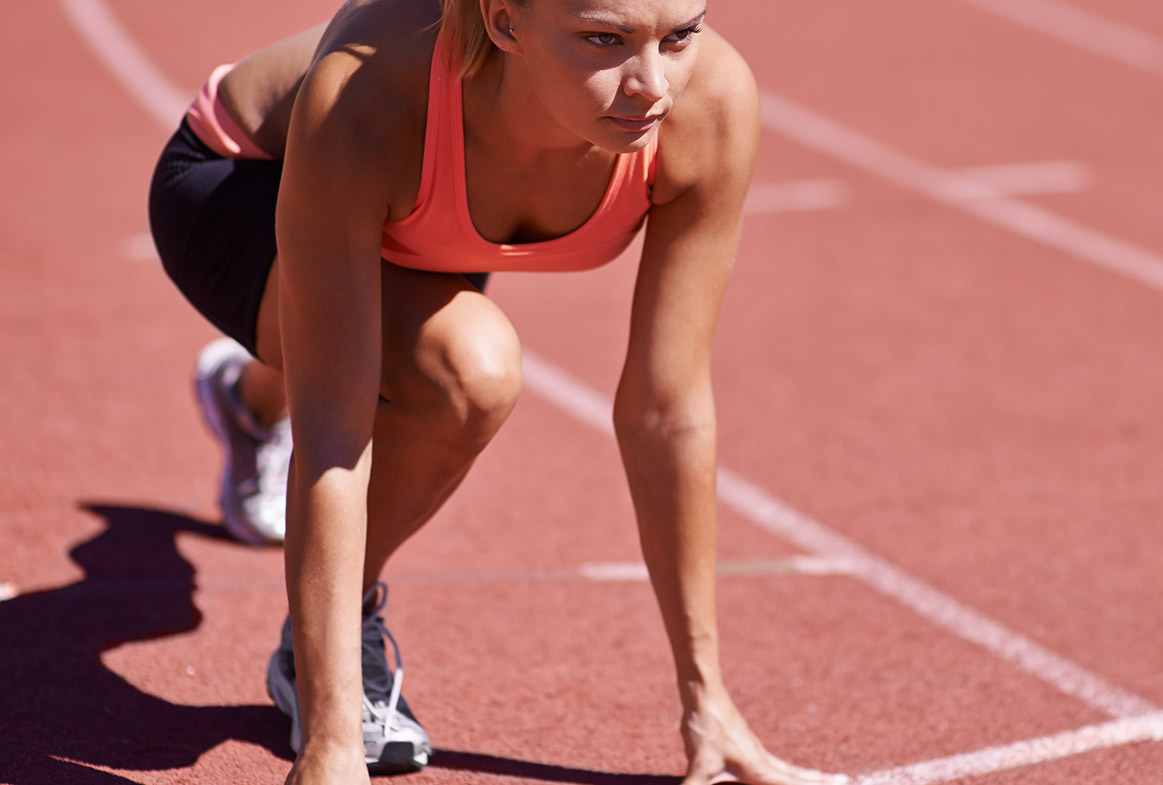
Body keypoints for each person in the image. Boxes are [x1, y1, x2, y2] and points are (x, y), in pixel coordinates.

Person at [146, 1, 847, 783]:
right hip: (241, 180)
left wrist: (707, 704)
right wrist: (331, 748)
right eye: (603, 40)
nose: (653, 85)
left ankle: (248, 401)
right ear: (505, 20)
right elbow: (336, 435)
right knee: (466, 375)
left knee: (385, 345)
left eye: (680, 34)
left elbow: (666, 408)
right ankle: (335, 641)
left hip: (425, 222)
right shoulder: (368, 97)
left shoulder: (709, 103)